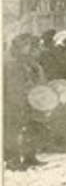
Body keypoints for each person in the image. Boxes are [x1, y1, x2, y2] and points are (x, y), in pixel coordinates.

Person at [3, 34, 47, 170]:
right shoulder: (9, 62)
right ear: (18, 47)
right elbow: (10, 86)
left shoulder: (27, 62)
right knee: (13, 131)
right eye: (25, 45)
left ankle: (29, 156)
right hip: (13, 102)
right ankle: (12, 160)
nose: (28, 48)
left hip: (28, 101)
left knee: (31, 129)